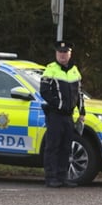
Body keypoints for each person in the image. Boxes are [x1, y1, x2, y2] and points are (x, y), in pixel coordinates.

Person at [40, 40, 85, 188]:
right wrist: (58, 105)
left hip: (68, 116)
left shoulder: (74, 71)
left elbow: (79, 93)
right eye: (60, 52)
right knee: (53, 146)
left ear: (70, 54)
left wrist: (82, 112)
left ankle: (63, 176)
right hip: (55, 115)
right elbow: (44, 92)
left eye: (65, 53)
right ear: (56, 53)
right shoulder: (50, 70)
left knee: (66, 146)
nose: (62, 55)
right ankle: (51, 177)